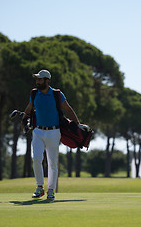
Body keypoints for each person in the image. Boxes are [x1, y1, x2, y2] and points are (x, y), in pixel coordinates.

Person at [22, 69, 81, 201]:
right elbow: (29, 109)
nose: (37, 81)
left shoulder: (57, 94)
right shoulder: (33, 93)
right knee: (36, 158)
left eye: (40, 79)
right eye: (37, 79)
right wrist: (24, 120)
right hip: (38, 131)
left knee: (52, 162)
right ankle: (39, 187)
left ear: (47, 81)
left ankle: (51, 190)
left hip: (54, 132)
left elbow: (68, 108)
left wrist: (77, 124)